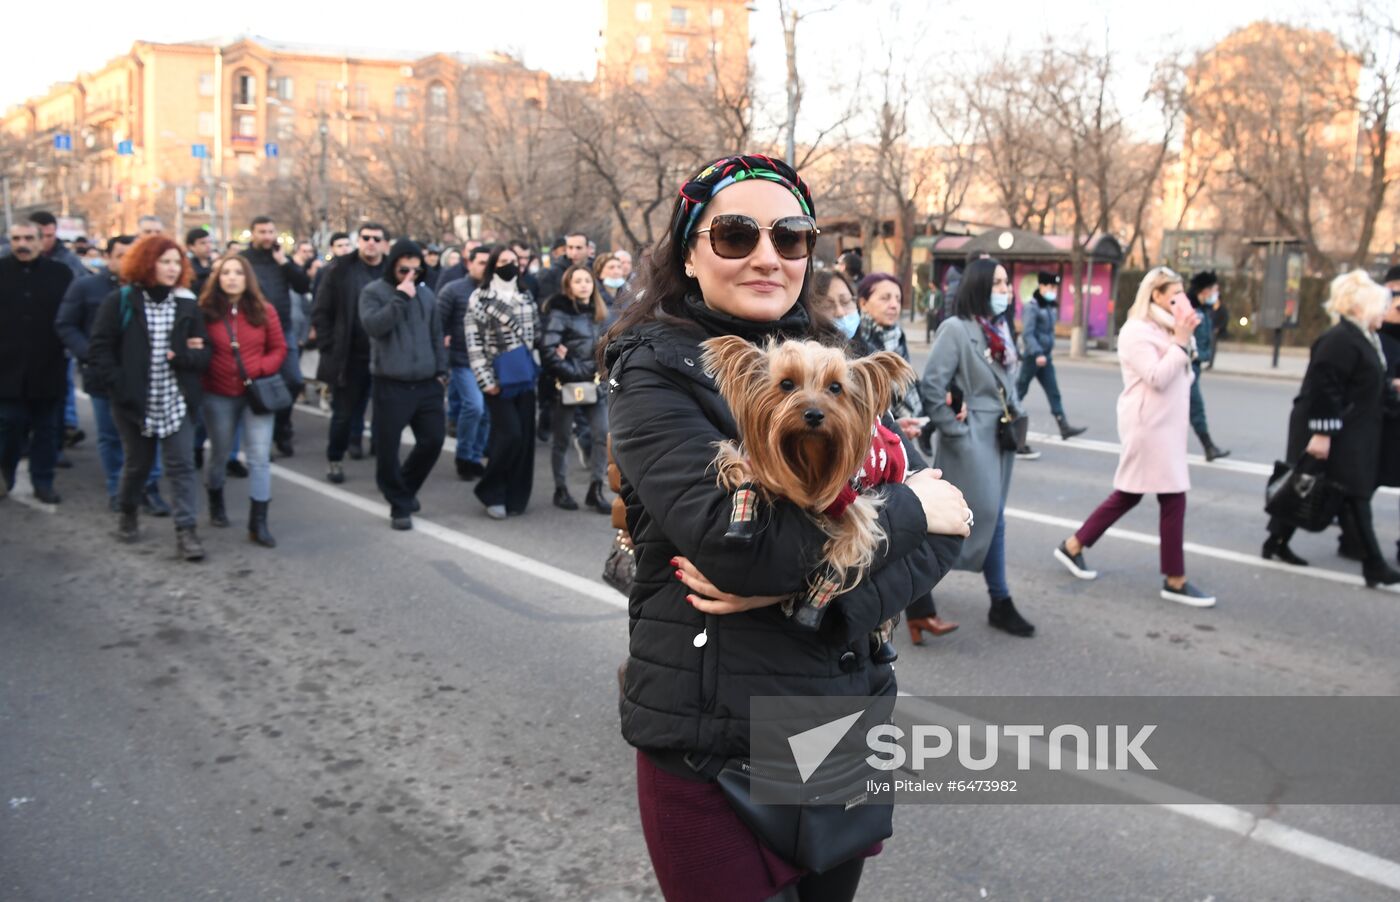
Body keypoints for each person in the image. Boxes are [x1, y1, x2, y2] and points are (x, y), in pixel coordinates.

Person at [604, 153, 966, 902]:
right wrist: (901, 514)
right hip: (712, 748)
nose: (767, 255)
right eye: (736, 236)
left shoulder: (843, 366)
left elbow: (949, 524)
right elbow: (738, 554)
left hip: (838, 722)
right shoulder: (653, 374)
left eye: (792, 236)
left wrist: (805, 600)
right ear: (690, 251)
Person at [1053, 267, 1217, 607]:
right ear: (1155, 295)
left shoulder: (1169, 327)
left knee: (1130, 494)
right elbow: (1157, 377)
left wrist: (1184, 340)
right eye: (1174, 294)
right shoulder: (1136, 331)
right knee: (1171, 497)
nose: (1181, 300)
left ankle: (1073, 546)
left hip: (1165, 427)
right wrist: (1181, 342)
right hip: (1147, 426)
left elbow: (1185, 377)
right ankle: (1175, 579)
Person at [815, 267, 960, 641]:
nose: (839, 311)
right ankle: (917, 615)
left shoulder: (870, 353)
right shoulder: (821, 360)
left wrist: (898, 423)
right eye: (828, 304)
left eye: (844, 301)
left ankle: (915, 615)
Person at [921, 257, 1038, 636]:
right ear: (981, 286)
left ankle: (998, 600)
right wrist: (956, 435)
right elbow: (933, 387)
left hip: (1000, 436)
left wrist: (1018, 418)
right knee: (966, 517)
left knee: (992, 516)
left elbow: (1010, 382)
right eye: (999, 283)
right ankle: (914, 591)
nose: (1007, 290)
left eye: (1008, 283)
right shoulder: (956, 329)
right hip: (971, 438)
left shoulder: (1000, 328)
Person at [1262, 271, 1400, 588]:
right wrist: (1322, 434)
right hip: (1330, 430)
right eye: (1379, 306)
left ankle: (1276, 541)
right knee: (1347, 493)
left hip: (1351, 430)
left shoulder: (1366, 337)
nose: (1385, 313)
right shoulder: (1339, 340)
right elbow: (1325, 388)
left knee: (1309, 484)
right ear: (1359, 307)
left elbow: (1372, 383)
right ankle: (1374, 565)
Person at [88, 235, 210, 560]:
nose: (172, 268)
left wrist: (184, 357)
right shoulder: (123, 301)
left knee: (182, 465)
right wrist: (119, 385)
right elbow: (99, 349)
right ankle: (128, 512)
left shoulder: (186, 302)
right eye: (165, 261)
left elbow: (204, 351)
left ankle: (187, 533)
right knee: (138, 465)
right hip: (134, 401)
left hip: (176, 397)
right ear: (147, 262)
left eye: (176, 262)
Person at [56, 235, 171, 512]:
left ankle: (149, 488)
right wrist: (92, 356)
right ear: (108, 257)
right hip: (102, 377)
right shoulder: (87, 287)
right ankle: (117, 489)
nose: (126, 261)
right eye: (120, 255)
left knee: (148, 432)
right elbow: (66, 325)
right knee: (110, 436)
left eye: (132, 255)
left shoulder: (150, 290)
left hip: (144, 378)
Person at [197, 255, 286, 547]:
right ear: (218, 278)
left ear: (247, 278)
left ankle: (258, 522)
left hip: (256, 394)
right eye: (226, 273)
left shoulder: (264, 310)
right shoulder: (205, 311)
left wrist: (259, 368)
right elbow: (195, 347)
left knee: (259, 457)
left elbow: (279, 349)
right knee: (221, 453)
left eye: (238, 272)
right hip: (218, 393)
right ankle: (215, 499)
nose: (232, 278)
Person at [359, 239, 448, 530]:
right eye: (403, 269)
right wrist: (400, 297)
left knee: (433, 440)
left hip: (426, 383)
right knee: (387, 448)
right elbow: (374, 326)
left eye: (415, 268)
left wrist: (441, 370)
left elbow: (436, 334)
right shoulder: (374, 293)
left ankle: (405, 489)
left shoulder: (427, 296)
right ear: (393, 266)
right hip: (391, 383)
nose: (411, 274)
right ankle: (399, 503)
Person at [0, 221, 73, 503]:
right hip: (7, 368)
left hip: (48, 365)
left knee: (46, 430)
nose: (22, 244)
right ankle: (5, 473)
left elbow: (70, 315)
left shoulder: (60, 273)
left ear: (42, 240)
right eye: (17, 238)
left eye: (29, 238)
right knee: (9, 424)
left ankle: (43, 482)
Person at [466, 244, 539, 519]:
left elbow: (535, 334)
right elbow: (474, 343)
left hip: (525, 375)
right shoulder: (480, 298)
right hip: (499, 377)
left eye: (514, 260)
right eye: (503, 261)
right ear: (492, 265)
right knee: (509, 435)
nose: (510, 265)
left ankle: (517, 494)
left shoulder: (525, 294)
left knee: (525, 439)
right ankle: (491, 490)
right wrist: (485, 380)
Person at [313, 223, 389, 482]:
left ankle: (384, 460)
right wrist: (328, 345)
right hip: (349, 355)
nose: (370, 242)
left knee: (385, 411)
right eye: (365, 237)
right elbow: (322, 309)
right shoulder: (341, 269)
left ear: (384, 243)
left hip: (385, 355)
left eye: (375, 238)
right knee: (344, 412)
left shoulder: (392, 269)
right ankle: (335, 459)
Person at [543, 264, 612, 513]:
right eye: (578, 281)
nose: (584, 284)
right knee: (561, 440)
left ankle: (596, 488)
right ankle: (560, 489)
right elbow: (549, 352)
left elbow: (610, 346)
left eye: (587, 280)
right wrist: (575, 372)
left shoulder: (601, 311)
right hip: (568, 385)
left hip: (597, 386)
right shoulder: (560, 313)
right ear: (568, 286)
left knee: (601, 436)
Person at [241, 216, 310, 457]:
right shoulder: (243, 261)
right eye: (262, 232)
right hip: (253, 330)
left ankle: (282, 427)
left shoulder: (282, 259)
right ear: (253, 234)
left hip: (283, 328)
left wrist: (285, 263)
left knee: (293, 381)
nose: (268, 237)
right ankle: (264, 439)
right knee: (259, 385)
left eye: (271, 232)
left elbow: (303, 286)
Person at [437, 244, 493, 480]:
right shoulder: (453, 289)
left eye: (489, 263)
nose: (485, 268)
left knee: (488, 413)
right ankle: (464, 455)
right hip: (463, 360)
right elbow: (437, 324)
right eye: (480, 262)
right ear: (469, 263)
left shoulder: (498, 290)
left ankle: (475, 457)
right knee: (474, 406)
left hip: (492, 362)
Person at [1016, 271, 1087, 441]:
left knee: (1053, 392)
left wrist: (1045, 353)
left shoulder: (1048, 306)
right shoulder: (1031, 307)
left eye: (1055, 287)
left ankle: (1064, 426)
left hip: (1045, 358)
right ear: (1041, 286)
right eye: (1050, 286)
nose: (1053, 290)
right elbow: (1028, 334)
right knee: (1019, 391)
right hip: (1033, 357)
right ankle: (1004, 422)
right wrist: (1038, 352)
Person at [852, 273, 923, 427]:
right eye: (885, 298)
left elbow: (909, 380)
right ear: (863, 303)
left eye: (898, 299)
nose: (894, 305)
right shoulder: (854, 341)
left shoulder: (897, 336)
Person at [1185, 271, 1230, 461]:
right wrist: (1199, 355)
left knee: (1189, 409)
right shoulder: (1191, 313)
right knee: (1196, 408)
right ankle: (1209, 447)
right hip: (1186, 368)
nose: (1216, 294)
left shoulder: (1203, 312)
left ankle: (1208, 447)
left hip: (1193, 367)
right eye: (1214, 290)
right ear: (1203, 292)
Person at [186, 228, 216, 296]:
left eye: (210, 242)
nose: (208, 246)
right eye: (203, 243)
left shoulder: (215, 264)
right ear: (191, 246)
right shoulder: (187, 267)